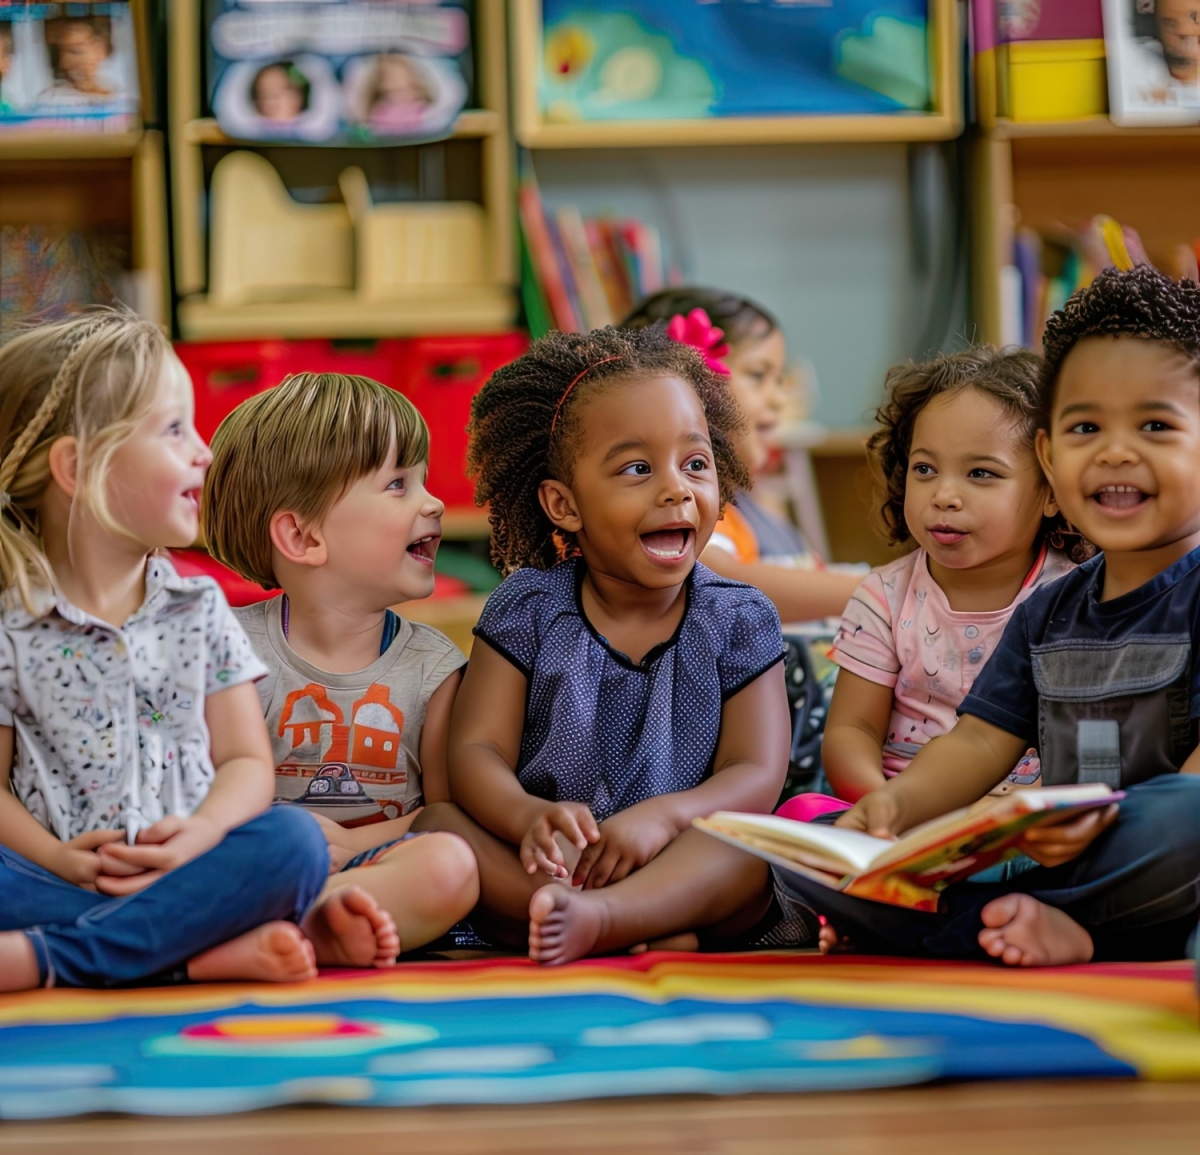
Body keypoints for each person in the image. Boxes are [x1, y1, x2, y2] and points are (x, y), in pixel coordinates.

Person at [775, 265, 1200, 967]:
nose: (1115, 451)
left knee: (1187, 815)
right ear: (1052, 464)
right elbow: (976, 746)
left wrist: (1097, 823)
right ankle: (1040, 929)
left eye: (1154, 425)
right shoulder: (1049, 610)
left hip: (1146, 844)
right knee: (804, 852)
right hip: (1039, 857)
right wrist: (895, 810)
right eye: (1086, 426)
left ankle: (1060, 931)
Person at [0, 312, 398, 992]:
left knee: (294, 844)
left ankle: (53, 961)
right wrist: (61, 860)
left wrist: (198, 837)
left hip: (190, 872)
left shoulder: (199, 611)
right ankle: (187, 956)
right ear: (78, 466)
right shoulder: (11, 627)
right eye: (174, 429)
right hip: (59, 875)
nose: (204, 452)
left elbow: (246, 763)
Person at [410, 325, 792, 964]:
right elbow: (476, 749)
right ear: (564, 504)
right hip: (552, 861)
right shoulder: (529, 608)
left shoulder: (739, 616)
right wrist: (525, 817)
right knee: (439, 828)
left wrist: (665, 818)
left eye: (695, 464)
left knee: (752, 847)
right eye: (637, 469)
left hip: (682, 851)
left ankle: (605, 920)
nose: (676, 489)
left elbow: (755, 771)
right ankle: (625, 923)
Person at [204, 372, 479, 957]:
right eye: (398, 484)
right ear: (302, 537)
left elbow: (448, 814)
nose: (432, 502)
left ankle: (309, 927)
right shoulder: (227, 652)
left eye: (424, 479)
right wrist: (291, 845)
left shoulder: (436, 669)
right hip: (259, 866)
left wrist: (352, 848)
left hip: (376, 868)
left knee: (450, 864)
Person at [815, 346, 1081, 815]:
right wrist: (885, 807)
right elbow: (851, 731)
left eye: (980, 473)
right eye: (925, 469)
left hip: (1023, 821)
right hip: (896, 809)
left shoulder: (1076, 596)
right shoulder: (884, 597)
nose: (944, 495)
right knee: (801, 818)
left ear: (1052, 491)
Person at [623, 287, 863, 621]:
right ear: (692, 386)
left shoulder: (738, 507)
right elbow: (721, 582)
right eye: (758, 375)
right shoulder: (679, 504)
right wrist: (878, 591)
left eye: (779, 379)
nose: (778, 399)